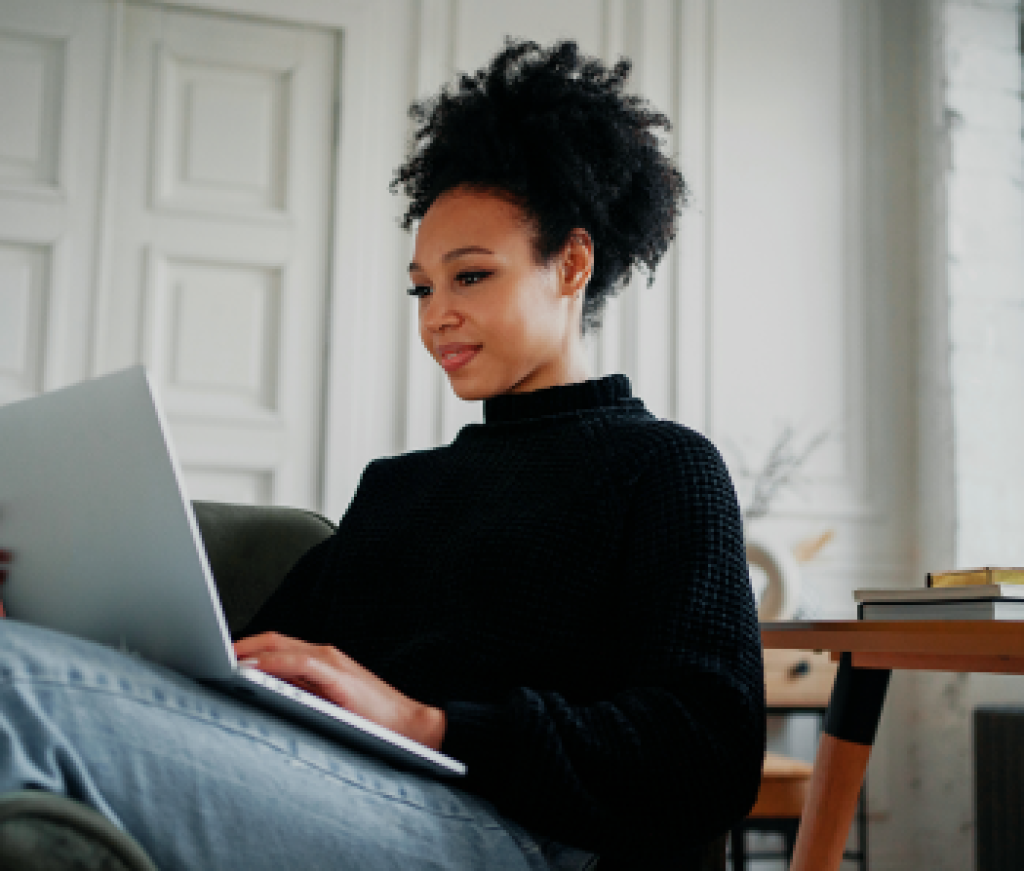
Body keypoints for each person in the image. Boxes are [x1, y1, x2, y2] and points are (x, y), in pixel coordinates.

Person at [0, 40, 764, 870]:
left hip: (515, 829)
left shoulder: (662, 466)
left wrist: (424, 722)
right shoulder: (399, 489)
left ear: (572, 262)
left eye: (470, 276)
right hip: (332, 790)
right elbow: (237, 679)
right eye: (422, 287)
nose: (437, 315)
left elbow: (706, 748)